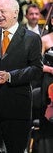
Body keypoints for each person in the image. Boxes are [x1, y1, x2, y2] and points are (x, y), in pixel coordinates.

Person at [0, 0, 43, 153]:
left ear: (15, 13)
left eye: (2, 11)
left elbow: (36, 69)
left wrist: (10, 76)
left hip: (17, 107)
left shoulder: (31, 38)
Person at [37, 14, 53, 152]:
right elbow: (36, 64)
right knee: (48, 121)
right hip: (48, 83)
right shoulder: (45, 40)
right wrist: (50, 69)